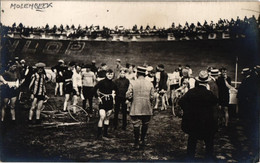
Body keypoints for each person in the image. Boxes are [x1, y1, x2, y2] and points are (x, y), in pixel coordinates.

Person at [179, 70, 218, 160]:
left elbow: (181, 102)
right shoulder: (209, 94)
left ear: (198, 81)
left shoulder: (191, 92)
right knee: (209, 143)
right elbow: (215, 103)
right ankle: (208, 159)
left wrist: (188, 111)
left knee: (192, 141)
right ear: (207, 82)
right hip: (206, 123)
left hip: (193, 122)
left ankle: (190, 159)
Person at [126, 66, 154, 149]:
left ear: (137, 73)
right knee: (145, 124)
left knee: (136, 125)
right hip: (146, 107)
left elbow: (128, 95)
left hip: (136, 107)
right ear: (145, 74)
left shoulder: (132, 83)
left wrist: (132, 99)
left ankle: (136, 142)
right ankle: (142, 140)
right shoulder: (150, 83)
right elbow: (152, 97)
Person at [93, 69, 117, 140]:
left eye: (111, 74)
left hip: (109, 101)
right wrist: (97, 97)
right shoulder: (101, 82)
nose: (110, 76)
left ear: (113, 75)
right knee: (102, 116)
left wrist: (114, 96)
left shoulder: (113, 84)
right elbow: (94, 89)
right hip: (102, 101)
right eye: (109, 74)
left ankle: (105, 134)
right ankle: (98, 134)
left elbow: (117, 92)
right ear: (106, 74)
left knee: (107, 117)